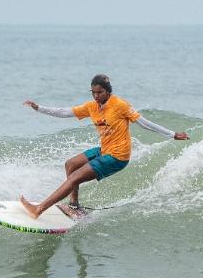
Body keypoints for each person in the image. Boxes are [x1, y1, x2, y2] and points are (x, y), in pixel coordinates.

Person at [20, 74, 189, 220]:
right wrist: (39, 108)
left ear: (108, 91)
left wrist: (172, 134)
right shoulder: (92, 106)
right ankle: (74, 206)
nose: (96, 96)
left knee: (74, 178)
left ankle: (39, 209)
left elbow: (143, 123)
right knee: (70, 164)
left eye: (99, 92)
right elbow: (66, 112)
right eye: (93, 92)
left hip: (118, 156)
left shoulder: (120, 105)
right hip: (105, 150)